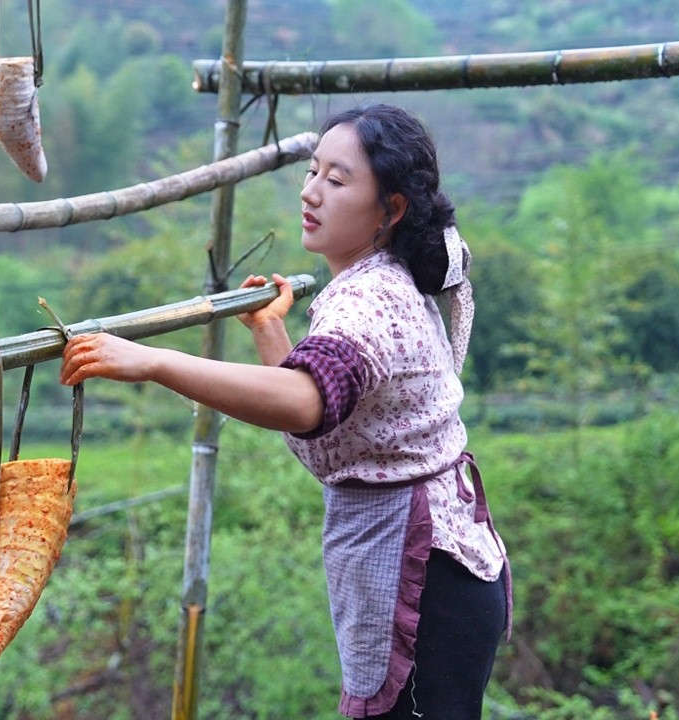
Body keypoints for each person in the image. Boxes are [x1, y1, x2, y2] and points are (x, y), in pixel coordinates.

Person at [59, 103, 509, 720]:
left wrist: (155, 362)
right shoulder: (379, 283)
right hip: (441, 575)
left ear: (392, 209)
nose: (311, 192)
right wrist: (273, 333)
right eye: (312, 171)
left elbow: (304, 399)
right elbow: (332, 418)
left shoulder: (369, 300)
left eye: (337, 179)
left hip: (425, 583)